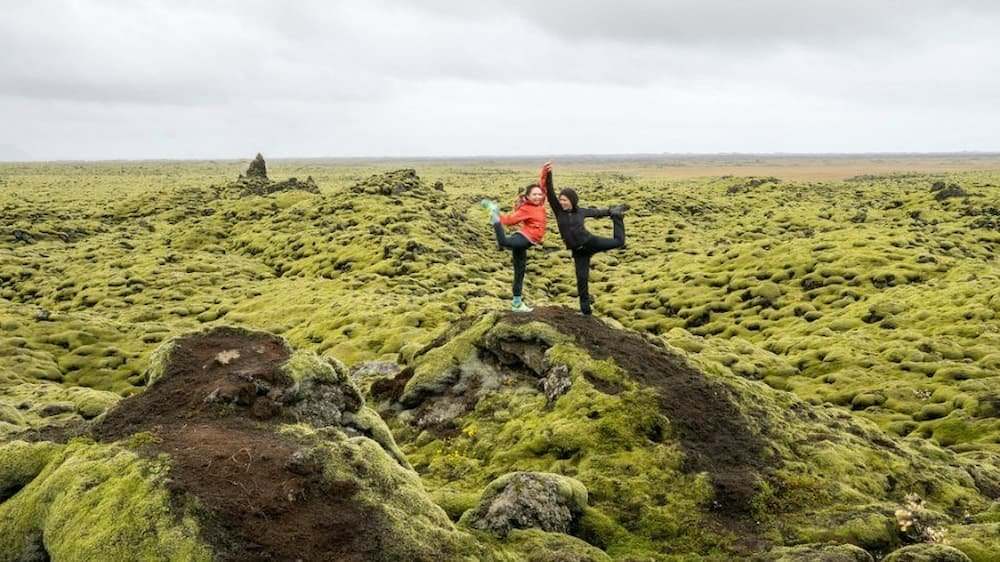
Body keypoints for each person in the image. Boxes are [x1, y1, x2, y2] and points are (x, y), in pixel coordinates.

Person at [542, 161, 627, 316]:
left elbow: (597, 213)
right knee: (582, 279)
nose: (562, 202)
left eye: (565, 200)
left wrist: (611, 212)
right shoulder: (558, 211)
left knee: (619, 242)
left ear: (572, 201)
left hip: (590, 242)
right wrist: (548, 174)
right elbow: (550, 192)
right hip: (579, 252)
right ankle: (586, 311)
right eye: (561, 200)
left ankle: (618, 217)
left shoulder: (581, 211)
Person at [480, 163, 550, 312]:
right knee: (503, 242)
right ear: (528, 197)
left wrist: (545, 172)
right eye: (534, 195)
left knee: (520, 272)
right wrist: (498, 216)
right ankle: (493, 213)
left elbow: (543, 187)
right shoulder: (526, 208)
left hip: (526, 241)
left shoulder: (541, 202)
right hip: (524, 238)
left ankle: (517, 304)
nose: (538, 196)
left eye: (539, 195)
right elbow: (510, 221)